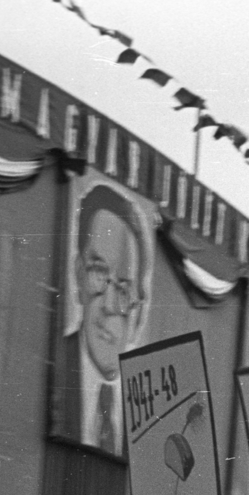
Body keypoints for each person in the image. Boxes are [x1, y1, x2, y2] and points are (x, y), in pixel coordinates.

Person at [63, 182, 152, 455]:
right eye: (99, 274)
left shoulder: (148, 409)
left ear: (138, 314)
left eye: (124, 290)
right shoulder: (50, 362)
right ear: (78, 277)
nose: (110, 306)